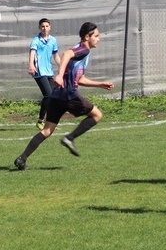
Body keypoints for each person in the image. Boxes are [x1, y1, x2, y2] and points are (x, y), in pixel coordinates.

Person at [14, 22, 114, 170]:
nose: (98, 39)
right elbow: (66, 54)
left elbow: (79, 79)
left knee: (47, 130)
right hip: (68, 95)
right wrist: (60, 75)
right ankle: (69, 138)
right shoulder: (83, 50)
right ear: (87, 37)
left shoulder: (82, 53)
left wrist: (99, 84)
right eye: (96, 36)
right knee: (97, 115)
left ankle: (22, 159)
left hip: (57, 95)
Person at [28, 18, 61, 130]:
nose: (44, 28)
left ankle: (49, 123)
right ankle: (40, 121)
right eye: (42, 26)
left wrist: (62, 66)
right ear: (39, 28)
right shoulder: (36, 40)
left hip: (48, 72)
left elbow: (55, 55)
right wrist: (31, 65)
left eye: (47, 26)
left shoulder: (53, 40)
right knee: (48, 95)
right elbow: (32, 52)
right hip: (39, 71)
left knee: (54, 97)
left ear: (50, 27)